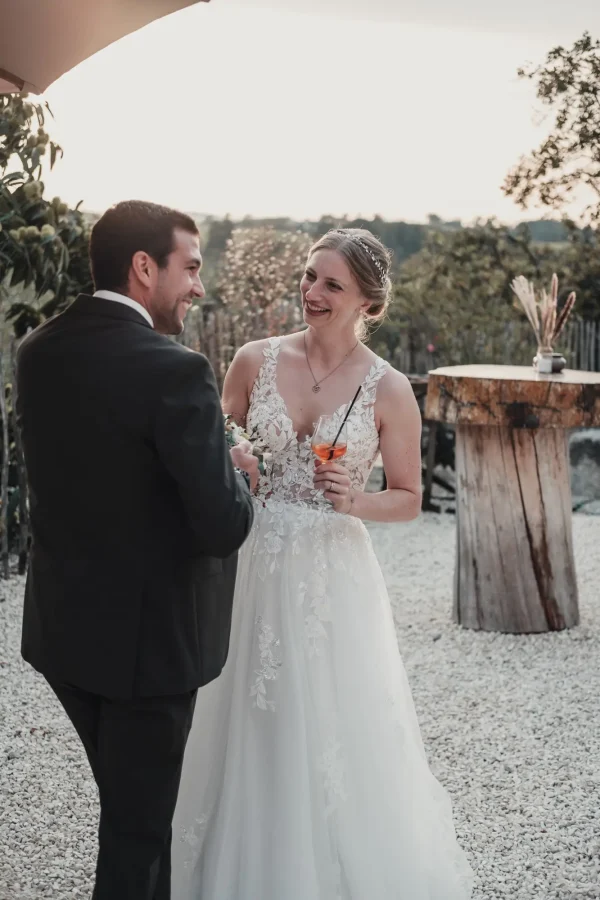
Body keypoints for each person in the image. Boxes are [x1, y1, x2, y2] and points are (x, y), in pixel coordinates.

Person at [172, 227, 474, 898]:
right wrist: (235, 462)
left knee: (332, 719)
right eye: (309, 277)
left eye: (331, 284)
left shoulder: (390, 389)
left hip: (334, 576)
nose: (311, 292)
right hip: (252, 561)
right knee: (247, 709)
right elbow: (214, 446)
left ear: (368, 300)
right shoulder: (254, 360)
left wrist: (356, 500)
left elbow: (410, 499)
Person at [15, 200, 257, 900]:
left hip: (64, 635)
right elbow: (221, 525)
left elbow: (90, 474)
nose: (199, 287)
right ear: (143, 267)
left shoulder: (39, 350)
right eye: (190, 267)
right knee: (137, 834)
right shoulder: (175, 371)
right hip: (148, 652)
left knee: (131, 813)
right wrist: (241, 476)